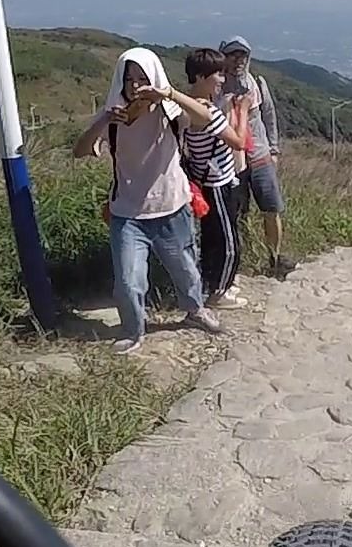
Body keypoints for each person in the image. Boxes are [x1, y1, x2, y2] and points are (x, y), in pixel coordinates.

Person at [73, 48, 222, 353]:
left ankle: (195, 311)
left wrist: (168, 93)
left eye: (144, 79)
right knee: (129, 279)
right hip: (127, 212)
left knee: (186, 268)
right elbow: (81, 150)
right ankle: (132, 330)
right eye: (131, 80)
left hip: (172, 206)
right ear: (121, 82)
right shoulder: (113, 116)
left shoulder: (169, 111)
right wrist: (103, 120)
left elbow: (204, 117)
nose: (137, 86)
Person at [217, 37, 293, 279]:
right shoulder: (216, 87)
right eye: (232, 55)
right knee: (237, 213)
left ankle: (274, 258)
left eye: (242, 55)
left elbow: (269, 116)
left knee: (271, 209)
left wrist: (273, 149)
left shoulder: (257, 83)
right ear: (223, 57)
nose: (238, 60)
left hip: (260, 157)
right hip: (231, 161)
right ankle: (240, 259)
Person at [182, 48, 250, 308]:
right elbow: (239, 142)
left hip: (204, 180)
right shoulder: (206, 112)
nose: (221, 79)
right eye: (217, 74)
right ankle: (220, 292)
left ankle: (216, 283)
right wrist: (242, 111)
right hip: (217, 182)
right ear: (200, 77)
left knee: (211, 238)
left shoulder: (190, 106)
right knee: (228, 240)